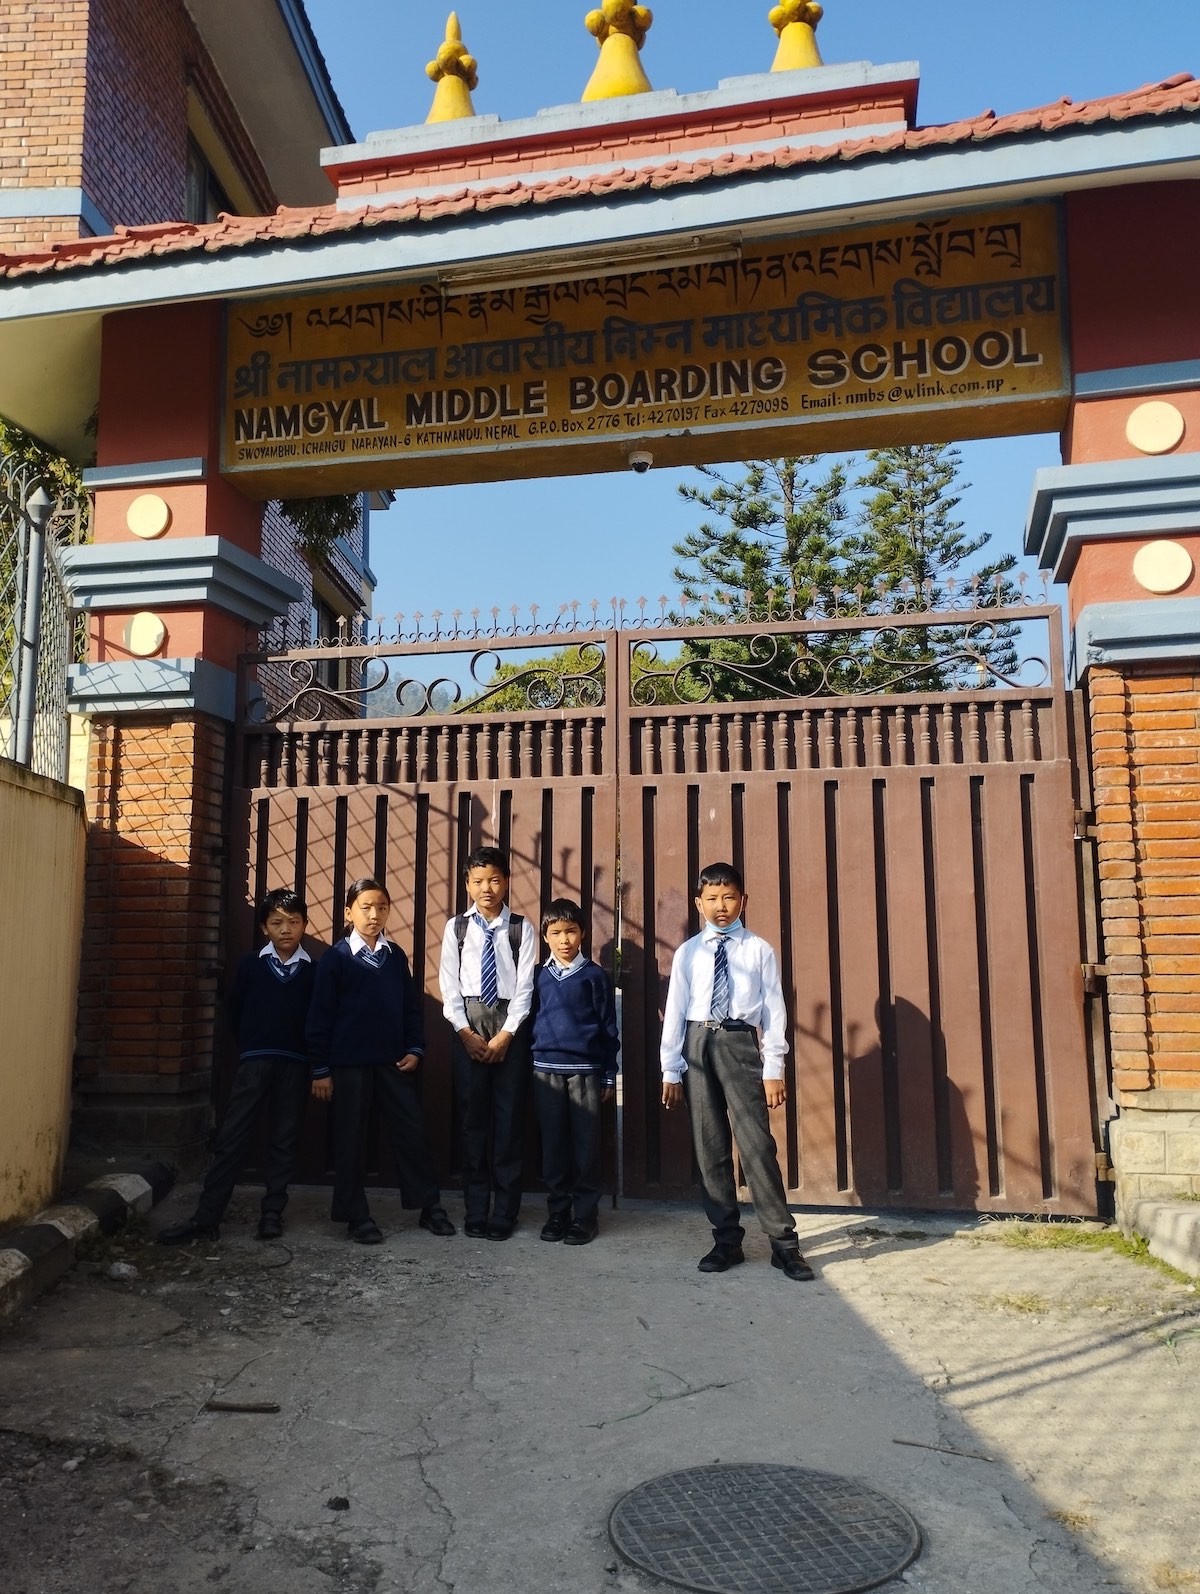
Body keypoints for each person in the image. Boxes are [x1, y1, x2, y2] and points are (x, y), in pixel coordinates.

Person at [660, 862, 815, 1281]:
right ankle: (726, 1240)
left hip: (739, 1043)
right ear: (698, 903)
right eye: (711, 898)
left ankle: (784, 1244)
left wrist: (773, 1066)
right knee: (710, 1147)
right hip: (697, 1045)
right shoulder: (689, 952)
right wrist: (670, 1069)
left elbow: (774, 1011)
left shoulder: (757, 950)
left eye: (729, 897)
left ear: (743, 900)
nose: (721, 906)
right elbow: (675, 1011)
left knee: (756, 1146)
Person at [158, 888, 316, 1245]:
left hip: (294, 1065)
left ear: (305, 924)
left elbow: (317, 1020)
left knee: (283, 1139)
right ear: (264, 927)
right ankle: (207, 1217)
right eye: (277, 922)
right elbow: (234, 1009)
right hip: (254, 1063)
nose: (286, 929)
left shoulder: (313, 971)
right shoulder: (250, 965)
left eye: (293, 922)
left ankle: (272, 1213)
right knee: (231, 1139)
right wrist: (250, 1046)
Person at [307, 876, 456, 1245]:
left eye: (382, 907)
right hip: (348, 1065)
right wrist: (321, 1069)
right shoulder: (335, 959)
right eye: (366, 907)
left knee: (411, 1132)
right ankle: (355, 1215)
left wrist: (415, 1047)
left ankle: (429, 1206)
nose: (375, 915)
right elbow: (319, 1017)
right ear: (348, 912)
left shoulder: (395, 957)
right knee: (349, 1137)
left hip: (392, 1063)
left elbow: (410, 1008)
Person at [437, 845, 537, 1240]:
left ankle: (505, 1212)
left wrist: (508, 1034)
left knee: (509, 1121)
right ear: (467, 885)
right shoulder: (456, 928)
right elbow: (449, 986)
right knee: (472, 1122)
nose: (487, 888)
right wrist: (465, 1033)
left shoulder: (521, 928)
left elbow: (526, 988)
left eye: (494, 880)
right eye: (478, 881)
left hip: (509, 1024)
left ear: (506, 882)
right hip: (469, 1025)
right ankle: (476, 1209)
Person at [529, 897, 619, 1246]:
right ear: (546, 937)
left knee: (585, 1147)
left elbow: (608, 1028)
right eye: (556, 933)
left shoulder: (595, 976)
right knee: (553, 1146)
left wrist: (609, 1074)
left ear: (582, 934)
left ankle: (585, 1216)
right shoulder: (537, 976)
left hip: (585, 1072)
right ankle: (557, 1213)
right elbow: (527, 1021)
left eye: (571, 931)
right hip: (545, 1073)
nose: (564, 940)